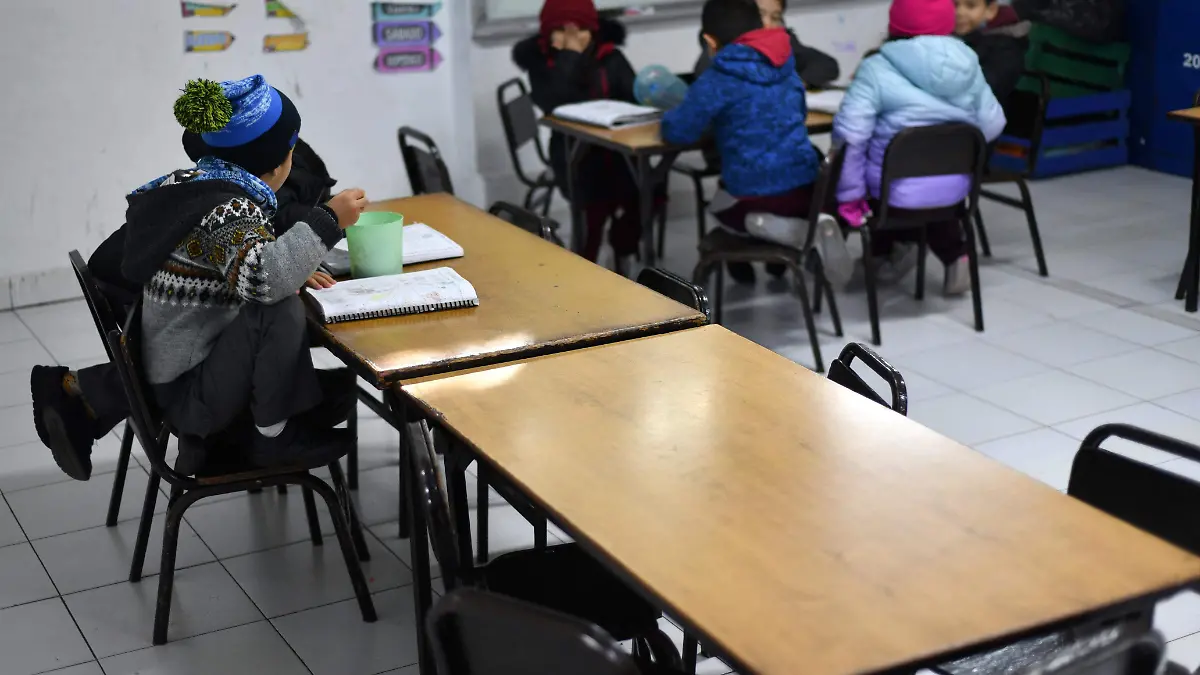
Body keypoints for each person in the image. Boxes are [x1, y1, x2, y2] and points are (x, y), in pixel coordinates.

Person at [32, 75, 367, 481]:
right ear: (280, 163)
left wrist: (295, 259)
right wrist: (328, 220)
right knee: (277, 308)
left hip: (174, 369)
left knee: (293, 322)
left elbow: (239, 261)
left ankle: (274, 416)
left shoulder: (198, 187)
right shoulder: (230, 210)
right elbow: (264, 281)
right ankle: (271, 437)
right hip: (189, 393)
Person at [663, 0, 851, 285]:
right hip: (807, 192)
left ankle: (775, 229)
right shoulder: (786, 66)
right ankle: (801, 229)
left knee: (718, 207)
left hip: (751, 197)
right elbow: (799, 114)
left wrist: (667, 117)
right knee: (771, 187)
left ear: (710, 41)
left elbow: (679, 131)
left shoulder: (717, 77)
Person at [834, 0, 1006, 295]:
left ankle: (874, 254)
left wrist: (850, 195)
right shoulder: (968, 64)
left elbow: (850, 135)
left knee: (852, 178)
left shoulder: (876, 67)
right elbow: (993, 124)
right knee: (925, 184)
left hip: (891, 194)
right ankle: (955, 255)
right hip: (954, 192)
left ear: (894, 24)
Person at [512, 0, 651, 265]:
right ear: (548, 34)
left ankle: (622, 244)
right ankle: (588, 261)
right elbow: (556, 101)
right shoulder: (541, 64)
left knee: (650, 189)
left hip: (617, 150)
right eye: (562, 31)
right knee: (594, 203)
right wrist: (570, 56)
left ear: (593, 30)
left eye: (580, 30)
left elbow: (633, 98)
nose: (573, 38)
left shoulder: (610, 56)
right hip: (572, 155)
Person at [693, 0, 841, 88]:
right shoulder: (722, 41)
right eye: (760, 15)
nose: (768, 24)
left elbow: (826, 64)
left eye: (775, 18)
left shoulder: (781, 40)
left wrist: (797, 84)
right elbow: (705, 73)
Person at [955, 0, 1031, 101]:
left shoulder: (1007, 52)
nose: (959, 12)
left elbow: (980, 92)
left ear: (991, 10)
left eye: (971, 6)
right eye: (954, 5)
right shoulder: (955, 37)